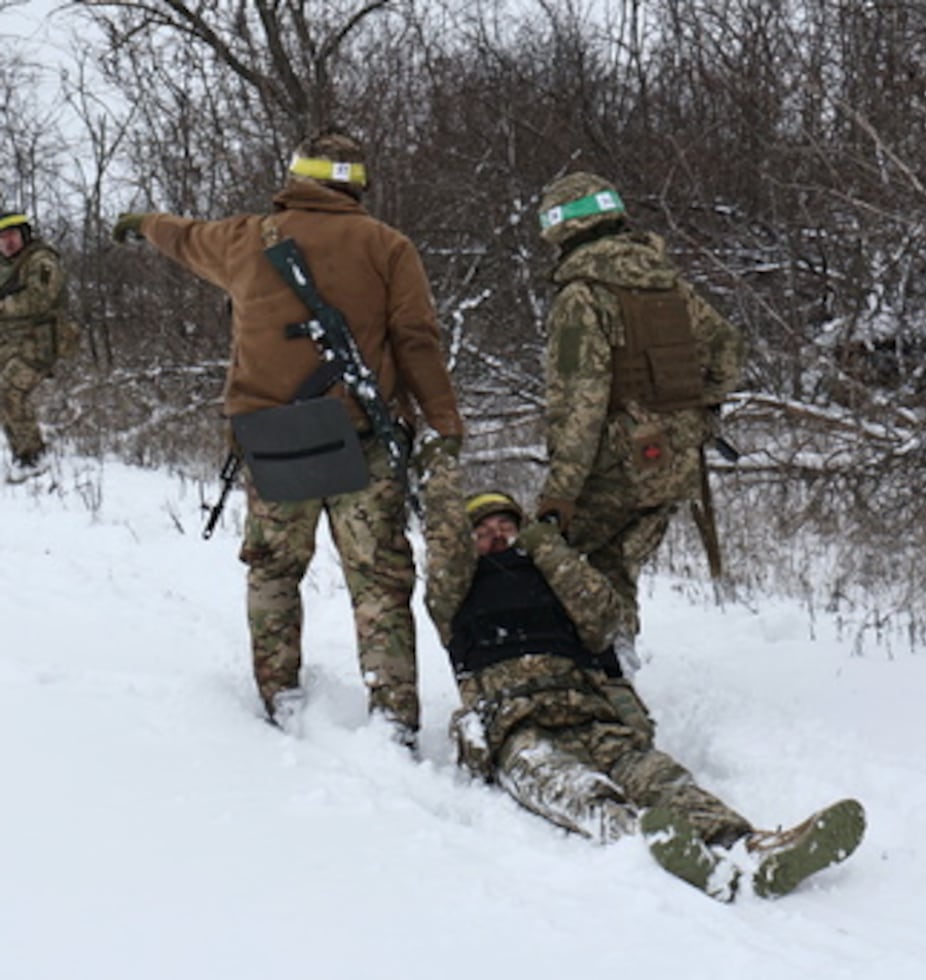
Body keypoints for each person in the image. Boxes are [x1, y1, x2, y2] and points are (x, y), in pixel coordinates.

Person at [112, 132, 464, 745]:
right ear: (354, 183)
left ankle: (281, 699)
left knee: (273, 573)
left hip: (274, 444)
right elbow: (416, 341)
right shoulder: (387, 246)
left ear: (296, 178)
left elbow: (182, 236)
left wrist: (144, 223)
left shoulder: (245, 238)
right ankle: (394, 721)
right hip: (363, 444)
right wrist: (444, 423)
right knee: (378, 581)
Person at [417, 441, 864, 901]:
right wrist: (441, 468)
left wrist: (547, 549)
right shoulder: (456, 593)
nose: (497, 536)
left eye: (506, 526)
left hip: (589, 712)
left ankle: (747, 847)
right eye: (483, 530)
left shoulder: (553, 580)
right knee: (578, 792)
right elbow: (445, 555)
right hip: (515, 727)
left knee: (662, 779)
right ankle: (658, 847)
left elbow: (604, 615)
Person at [533, 172, 744, 664]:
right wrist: (697, 410)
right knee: (617, 565)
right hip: (675, 461)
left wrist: (561, 491)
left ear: (561, 230)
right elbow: (728, 351)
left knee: (543, 556)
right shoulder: (670, 285)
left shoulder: (581, 297)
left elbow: (579, 403)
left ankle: (568, 668)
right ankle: (617, 659)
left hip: (616, 465)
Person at [0, 211, 77, 483]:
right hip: (11, 343)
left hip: (40, 344)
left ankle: (33, 457)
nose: (7, 242)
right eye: (1, 237)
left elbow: (39, 299)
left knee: (10, 391)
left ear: (24, 235)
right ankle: (22, 452)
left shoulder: (42, 261)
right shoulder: (6, 265)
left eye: (11, 235)